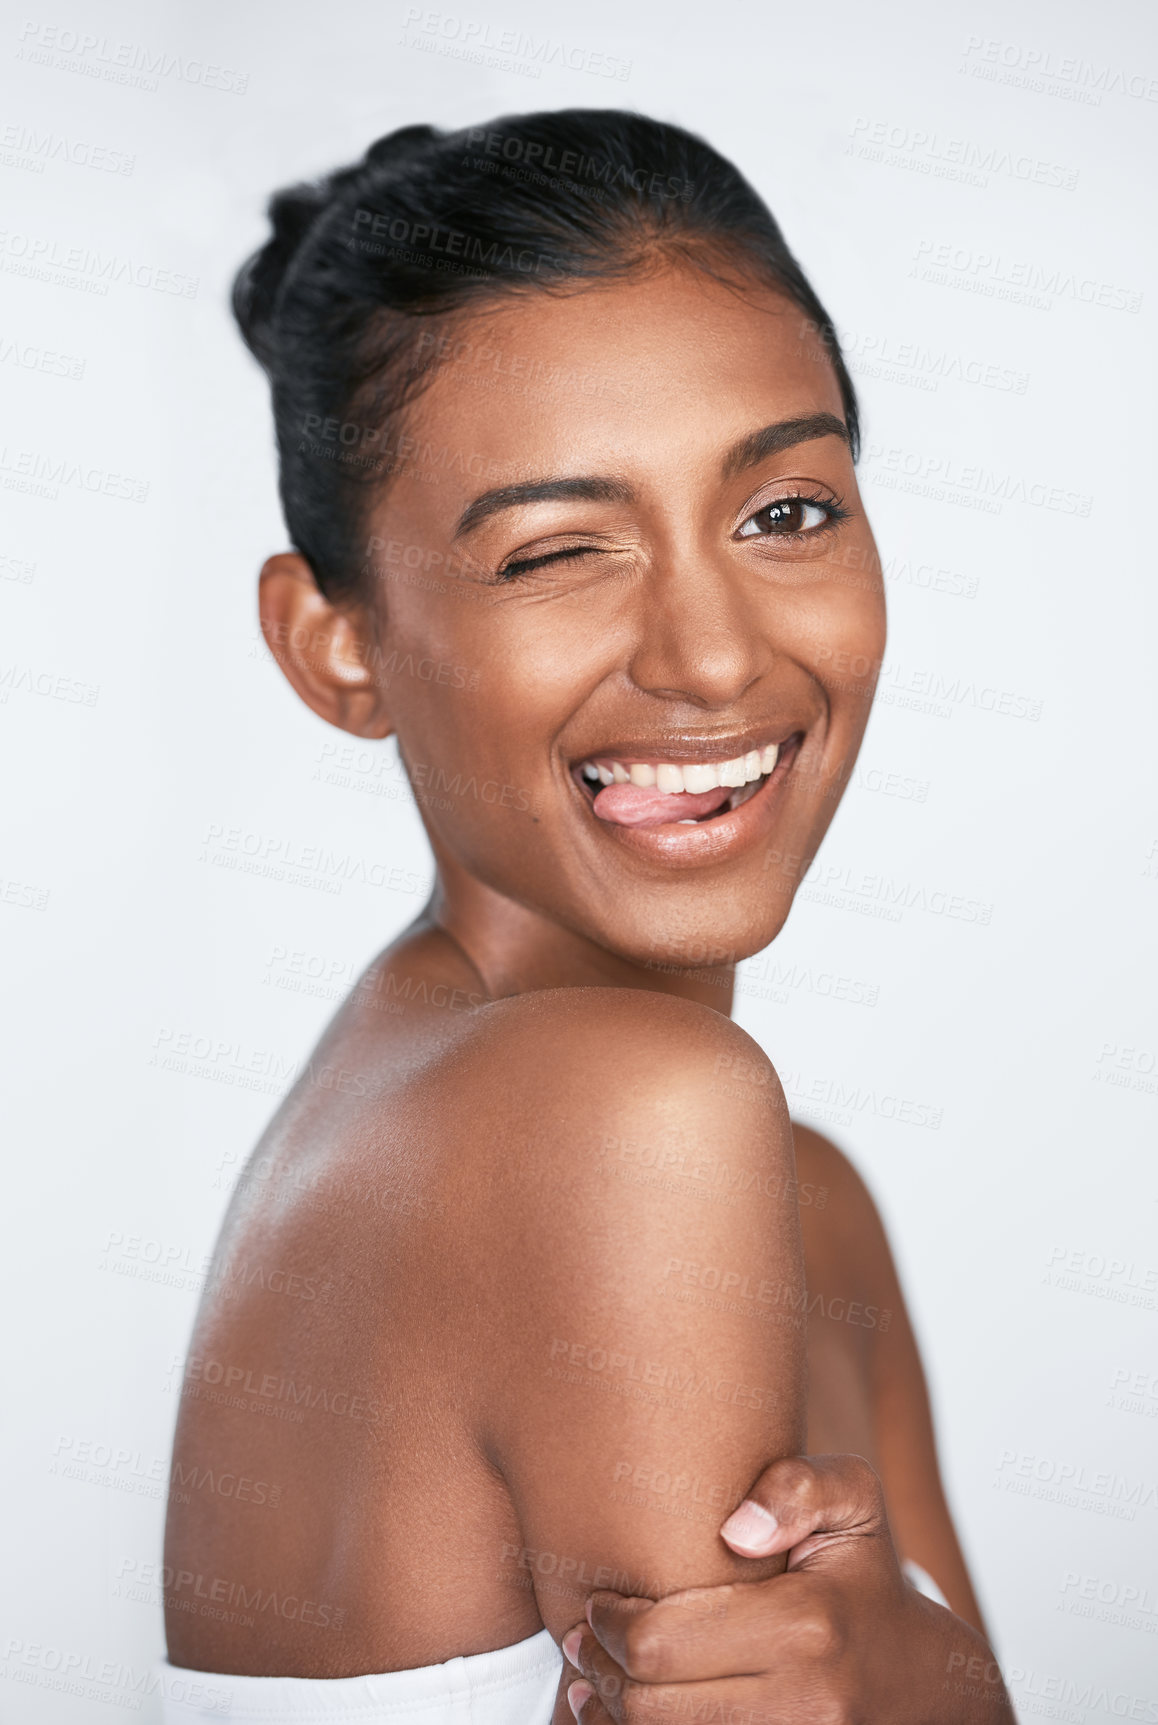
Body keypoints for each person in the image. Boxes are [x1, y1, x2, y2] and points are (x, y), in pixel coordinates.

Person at [159, 109, 1014, 1724]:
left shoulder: (795, 1194)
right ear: (337, 648)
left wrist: (927, 1677)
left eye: (784, 512)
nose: (708, 656)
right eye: (558, 550)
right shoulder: (624, 1115)